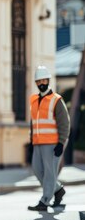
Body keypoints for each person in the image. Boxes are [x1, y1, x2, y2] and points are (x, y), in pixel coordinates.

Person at [28, 65, 70, 212]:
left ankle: (45, 201)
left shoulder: (56, 100)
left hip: (53, 143)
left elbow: (65, 123)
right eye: (38, 81)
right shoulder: (33, 100)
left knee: (50, 173)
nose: (41, 83)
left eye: (44, 80)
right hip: (38, 142)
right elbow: (34, 122)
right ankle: (58, 190)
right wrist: (30, 140)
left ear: (49, 80)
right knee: (37, 170)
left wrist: (61, 142)